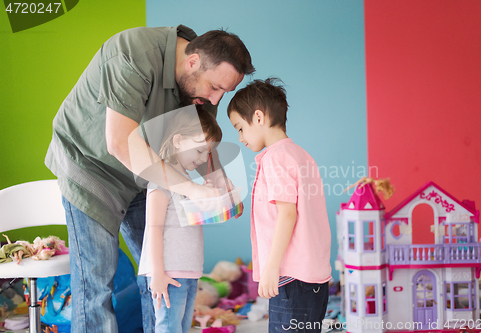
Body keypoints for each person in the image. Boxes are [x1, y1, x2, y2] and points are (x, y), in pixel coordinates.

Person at [44, 25, 254, 333]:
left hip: (148, 171)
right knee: (97, 283)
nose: (215, 98)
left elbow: (200, 135)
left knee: (159, 275)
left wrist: (219, 182)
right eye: (214, 88)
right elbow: (119, 143)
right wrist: (191, 189)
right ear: (192, 61)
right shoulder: (133, 53)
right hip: (91, 165)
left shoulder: (202, 80)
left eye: (224, 91)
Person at [227, 78, 332, 333]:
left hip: (290, 278)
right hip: (314, 278)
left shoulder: (275, 158)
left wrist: (271, 268)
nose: (240, 138)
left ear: (259, 117)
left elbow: (287, 214)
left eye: (240, 128)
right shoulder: (301, 155)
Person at [138, 105, 222, 333]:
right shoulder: (162, 178)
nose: (204, 158)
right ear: (178, 141)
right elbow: (153, 228)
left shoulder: (187, 181)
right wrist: (157, 273)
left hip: (189, 271)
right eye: (199, 151)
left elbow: (187, 222)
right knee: (168, 328)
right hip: (168, 273)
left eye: (208, 153)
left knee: (181, 328)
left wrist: (205, 198)